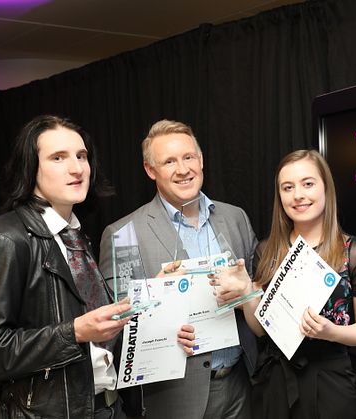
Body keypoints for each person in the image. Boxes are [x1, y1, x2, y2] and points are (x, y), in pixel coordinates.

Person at [0, 115, 135, 418]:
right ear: (30, 167)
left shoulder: (75, 235)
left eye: (82, 156)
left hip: (103, 405)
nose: (77, 168)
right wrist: (73, 332)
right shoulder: (0, 240)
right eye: (58, 157)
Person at [98, 119, 258, 419]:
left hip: (239, 387)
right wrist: (156, 308)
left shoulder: (235, 218)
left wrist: (247, 290)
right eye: (169, 161)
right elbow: (110, 330)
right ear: (150, 170)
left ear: (201, 160)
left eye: (188, 157)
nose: (182, 169)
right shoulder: (123, 234)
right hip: (173, 398)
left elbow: (258, 290)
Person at [218, 149, 356, 419]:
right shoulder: (266, 251)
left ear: (326, 189)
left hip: (330, 383)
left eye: (308, 184)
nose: (298, 195)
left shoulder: (354, 254)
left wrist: (332, 332)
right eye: (288, 187)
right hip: (274, 381)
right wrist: (247, 292)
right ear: (279, 196)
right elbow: (261, 331)